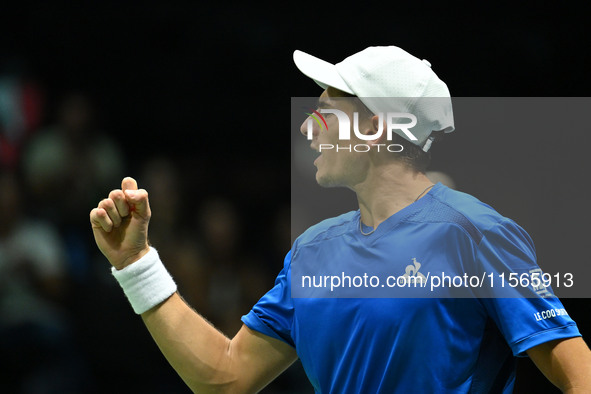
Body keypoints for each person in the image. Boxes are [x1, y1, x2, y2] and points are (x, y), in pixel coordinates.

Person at [90, 46, 591, 393]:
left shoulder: (475, 233)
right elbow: (225, 378)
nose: (309, 127)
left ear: (374, 127)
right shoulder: (310, 251)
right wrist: (136, 262)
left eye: (326, 112)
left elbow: (578, 374)